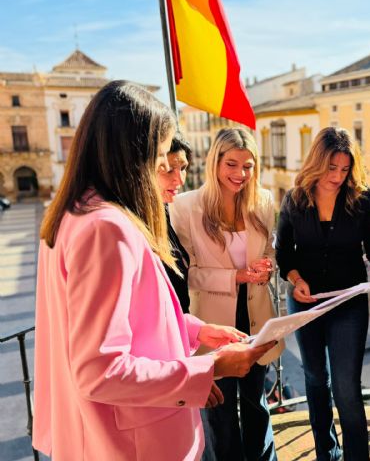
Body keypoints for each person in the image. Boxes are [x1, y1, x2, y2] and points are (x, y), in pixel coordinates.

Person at [33, 80, 274, 460]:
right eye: (162, 156)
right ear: (132, 155)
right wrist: (207, 368)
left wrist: (196, 328)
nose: (168, 169)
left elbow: (132, 318)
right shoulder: (105, 229)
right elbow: (101, 369)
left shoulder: (72, 214)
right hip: (133, 443)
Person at [275, 127, 370, 461]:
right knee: (316, 379)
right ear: (317, 163)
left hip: (348, 302)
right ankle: (326, 454)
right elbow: (284, 254)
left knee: (346, 388)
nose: (337, 176)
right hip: (306, 303)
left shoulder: (360, 200)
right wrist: (295, 278)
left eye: (344, 169)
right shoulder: (295, 198)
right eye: (331, 168)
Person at [170, 127, 284, 461]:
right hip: (212, 327)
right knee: (218, 414)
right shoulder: (185, 207)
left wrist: (266, 268)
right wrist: (235, 275)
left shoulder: (262, 202)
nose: (241, 174)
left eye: (248, 166)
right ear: (215, 161)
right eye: (232, 164)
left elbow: (269, 252)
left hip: (256, 320)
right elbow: (186, 273)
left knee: (257, 405)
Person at [158, 130, 192, 313]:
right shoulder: (134, 225)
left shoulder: (164, 212)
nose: (179, 179)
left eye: (184, 168)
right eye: (169, 170)